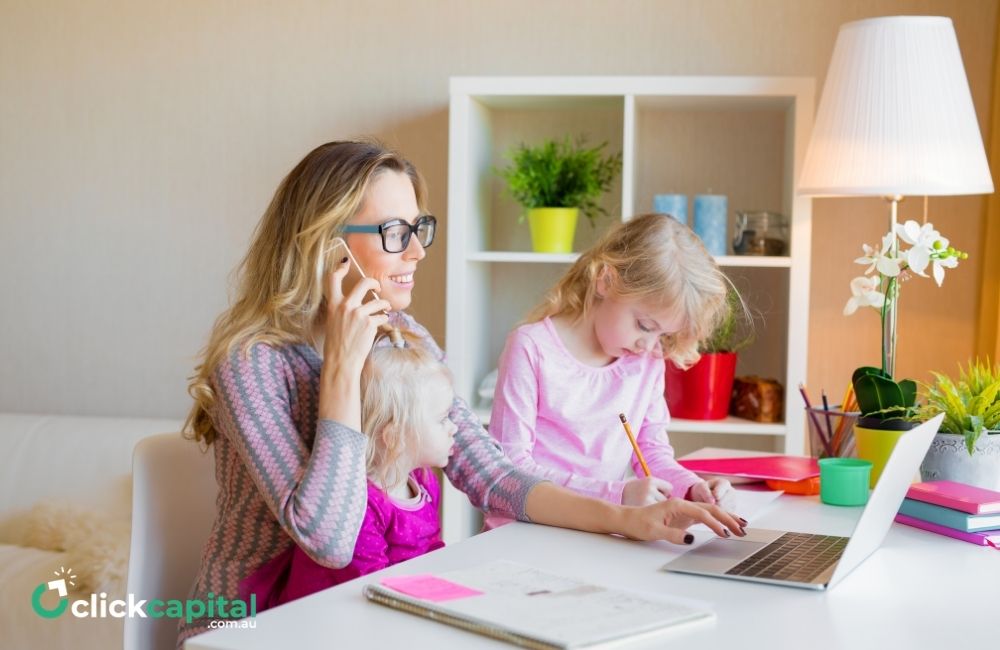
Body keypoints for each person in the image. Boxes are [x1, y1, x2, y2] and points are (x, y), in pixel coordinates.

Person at [178, 141, 745, 645]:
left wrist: (627, 517)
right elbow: (329, 541)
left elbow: (494, 476)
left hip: (362, 609)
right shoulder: (254, 363)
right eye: (394, 233)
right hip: (252, 625)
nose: (418, 252)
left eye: (418, 229)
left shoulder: (405, 341)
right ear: (327, 247)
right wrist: (342, 372)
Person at [486, 214, 737, 529]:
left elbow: (653, 454)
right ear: (605, 281)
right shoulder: (532, 348)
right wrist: (616, 496)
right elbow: (510, 471)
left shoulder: (647, 360)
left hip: (599, 532)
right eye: (645, 326)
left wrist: (692, 487)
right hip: (525, 532)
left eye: (664, 335)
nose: (649, 345)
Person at [238, 326, 455, 609]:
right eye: (442, 419)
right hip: (324, 619)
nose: (454, 428)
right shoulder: (360, 503)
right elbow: (372, 585)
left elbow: (432, 552)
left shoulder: (424, 482)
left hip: (386, 608)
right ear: (394, 436)